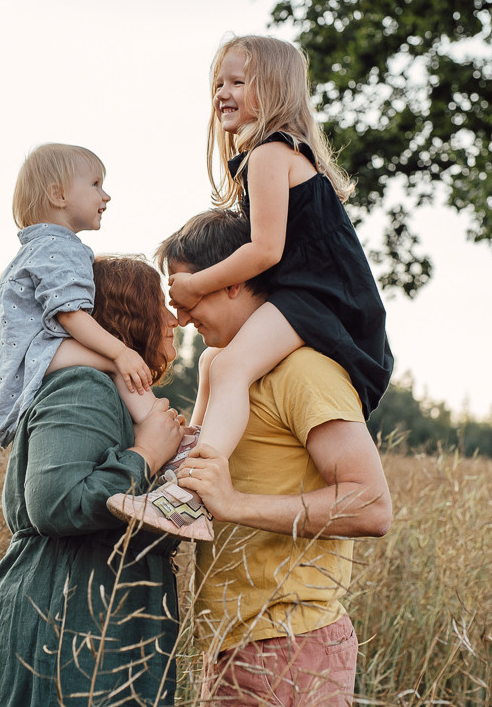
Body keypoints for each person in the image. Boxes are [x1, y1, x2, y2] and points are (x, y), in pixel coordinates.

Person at [109, 34, 393, 541]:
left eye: (239, 81)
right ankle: (189, 466)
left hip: (325, 297)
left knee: (233, 364)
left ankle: (190, 497)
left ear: (277, 91)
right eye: (218, 82)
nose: (223, 91)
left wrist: (194, 283)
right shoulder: (264, 158)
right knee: (215, 362)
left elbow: (265, 252)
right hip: (309, 293)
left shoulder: (269, 152)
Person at [159, 208, 393, 706]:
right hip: (233, 645)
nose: (182, 317)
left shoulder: (303, 370)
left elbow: (372, 506)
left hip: (288, 645)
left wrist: (236, 503)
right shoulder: (223, 371)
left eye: (189, 292)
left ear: (233, 282)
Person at [0, 255, 188, 707]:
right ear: (131, 315)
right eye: (158, 305)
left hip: (94, 626)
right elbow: (55, 500)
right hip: (60, 630)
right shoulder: (84, 385)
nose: (173, 319)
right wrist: (145, 455)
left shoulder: (120, 398)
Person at [0, 142, 158, 449]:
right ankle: (158, 427)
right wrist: (121, 352)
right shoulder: (59, 247)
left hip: (17, 368)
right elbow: (70, 315)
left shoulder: (33, 250)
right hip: (37, 356)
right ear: (58, 195)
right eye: (95, 184)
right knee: (121, 363)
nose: (106, 195)